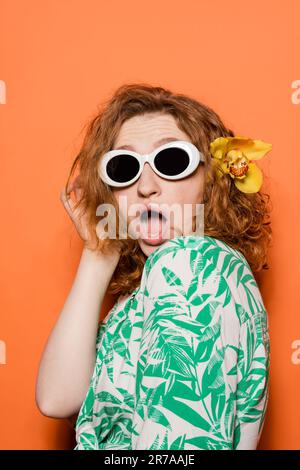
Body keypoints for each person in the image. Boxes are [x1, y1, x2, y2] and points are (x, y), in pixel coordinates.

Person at [35, 83, 272, 450]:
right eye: (124, 167)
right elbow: (56, 398)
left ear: (211, 181)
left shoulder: (191, 264)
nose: (145, 186)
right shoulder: (146, 292)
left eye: (171, 161)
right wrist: (98, 253)